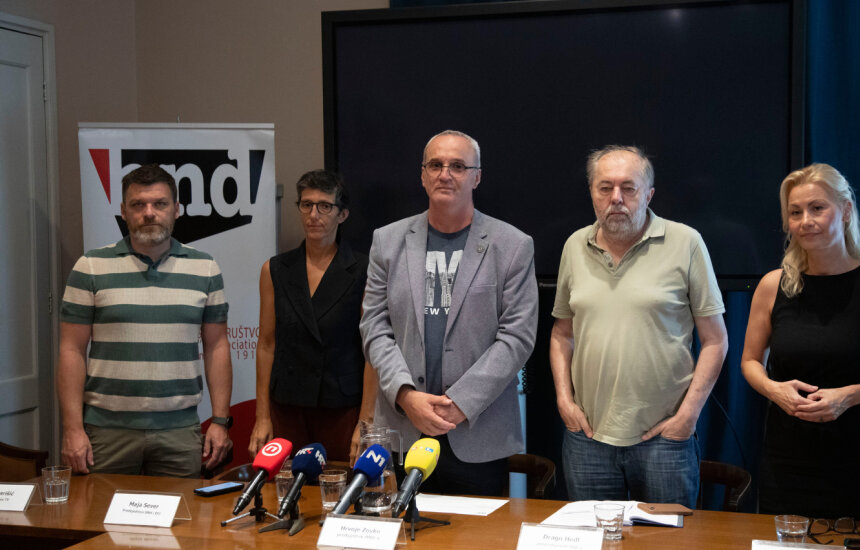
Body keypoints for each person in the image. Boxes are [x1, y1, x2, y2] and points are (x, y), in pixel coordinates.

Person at [741, 163, 860, 521]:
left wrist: (847, 396)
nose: (805, 221)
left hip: (858, 455)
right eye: (795, 212)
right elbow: (750, 361)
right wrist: (774, 390)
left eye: (817, 208)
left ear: (845, 211)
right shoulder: (771, 285)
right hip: (786, 457)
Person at [359, 130, 538, 496]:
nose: (445, 174)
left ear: (477, 177)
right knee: (402, 526)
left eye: (458, 166)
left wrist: (461, 403)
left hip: (476, 433)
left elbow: (517, 338)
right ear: (422, 175)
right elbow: (374, 326)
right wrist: (405, 396)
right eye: (436, 165)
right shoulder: (387, 242)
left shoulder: (513, 245)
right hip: (403, 429)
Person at [549, 145, 727, 506]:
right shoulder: (574, 246)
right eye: (605, 187)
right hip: (587, 437)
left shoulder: (686, 243)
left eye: (628, 188)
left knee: (667, 536)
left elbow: (715, 340)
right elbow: (562, 334)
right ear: (592, 193)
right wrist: (564, 402)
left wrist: (688, 416)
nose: (616, 198)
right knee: (593, 536)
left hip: (664, 438)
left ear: (649, 194)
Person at [58, 163, 232, 477]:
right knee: (99, 510)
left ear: (176, 209)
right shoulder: (90, 267)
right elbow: (71, 350)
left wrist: (220, 421)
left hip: (179, 433)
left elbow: (217, 346)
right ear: (124, 211)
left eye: (159, 204)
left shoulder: (205, 268)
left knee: (179, 510)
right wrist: (72, 429)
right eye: (138, 204)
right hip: (106, 433)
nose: (149, 213)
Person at [248, 170, 375, 462]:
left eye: (325, 206)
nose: (314, 215)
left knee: (341, 484)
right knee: (285, 485)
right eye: (307, 205)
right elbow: (266, 344)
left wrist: (366, 422)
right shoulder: (275, 270)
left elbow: (373, 351)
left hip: (341, 408)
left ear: (342, 214)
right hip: (287, 406)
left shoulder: (364, 270)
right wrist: (262, 417)